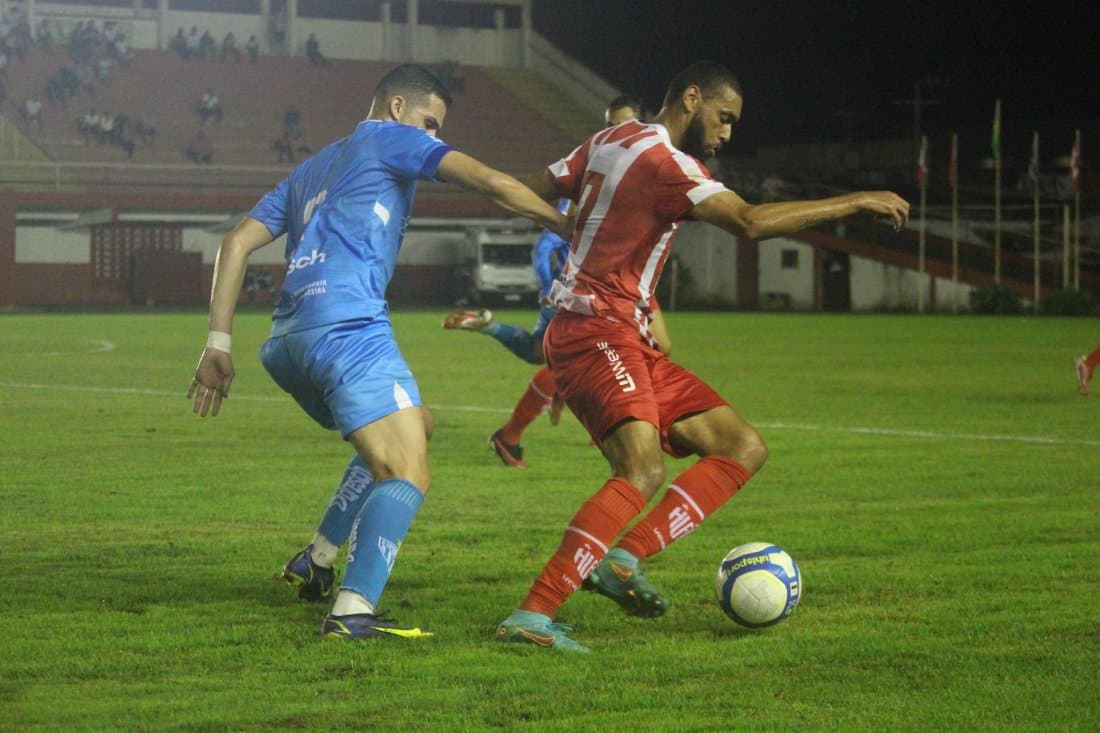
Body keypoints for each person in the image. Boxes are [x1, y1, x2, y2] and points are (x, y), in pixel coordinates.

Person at [493, 61, 908, 652]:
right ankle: (533, 612)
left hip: (620, 333)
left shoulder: (609, 139)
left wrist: (565, 227)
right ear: (692, 98)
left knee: (742, 447)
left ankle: (623, 559)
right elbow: (750, 221)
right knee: (642, 471)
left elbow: (526, 188)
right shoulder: (671, 165)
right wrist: (857, 200)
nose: (728, 133)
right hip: (596, 331)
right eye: (724, 117)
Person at [187, 64, 570, 640]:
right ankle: (351, 610)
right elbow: (490, 181)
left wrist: (217, 343)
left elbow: (236, 242)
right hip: (348, 329)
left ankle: (315, 558)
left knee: (415, 422)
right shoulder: (390, 137)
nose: (433, 138)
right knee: (407, 471)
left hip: (287, 343)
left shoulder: (310, 170)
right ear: (396, 109)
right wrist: (569, 226)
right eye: (429, 123)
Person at [443, 94, 673, 468]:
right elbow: (549, 238)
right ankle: (521, 433)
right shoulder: (590, 172)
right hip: (582, 288)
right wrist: (551, 284)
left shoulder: (651, 170)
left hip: (626, 285)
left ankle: (617, 416)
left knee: (645, 348)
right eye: (608, 125)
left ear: (643, 127)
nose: (614, 133)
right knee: (564, 359)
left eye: (622, 125)